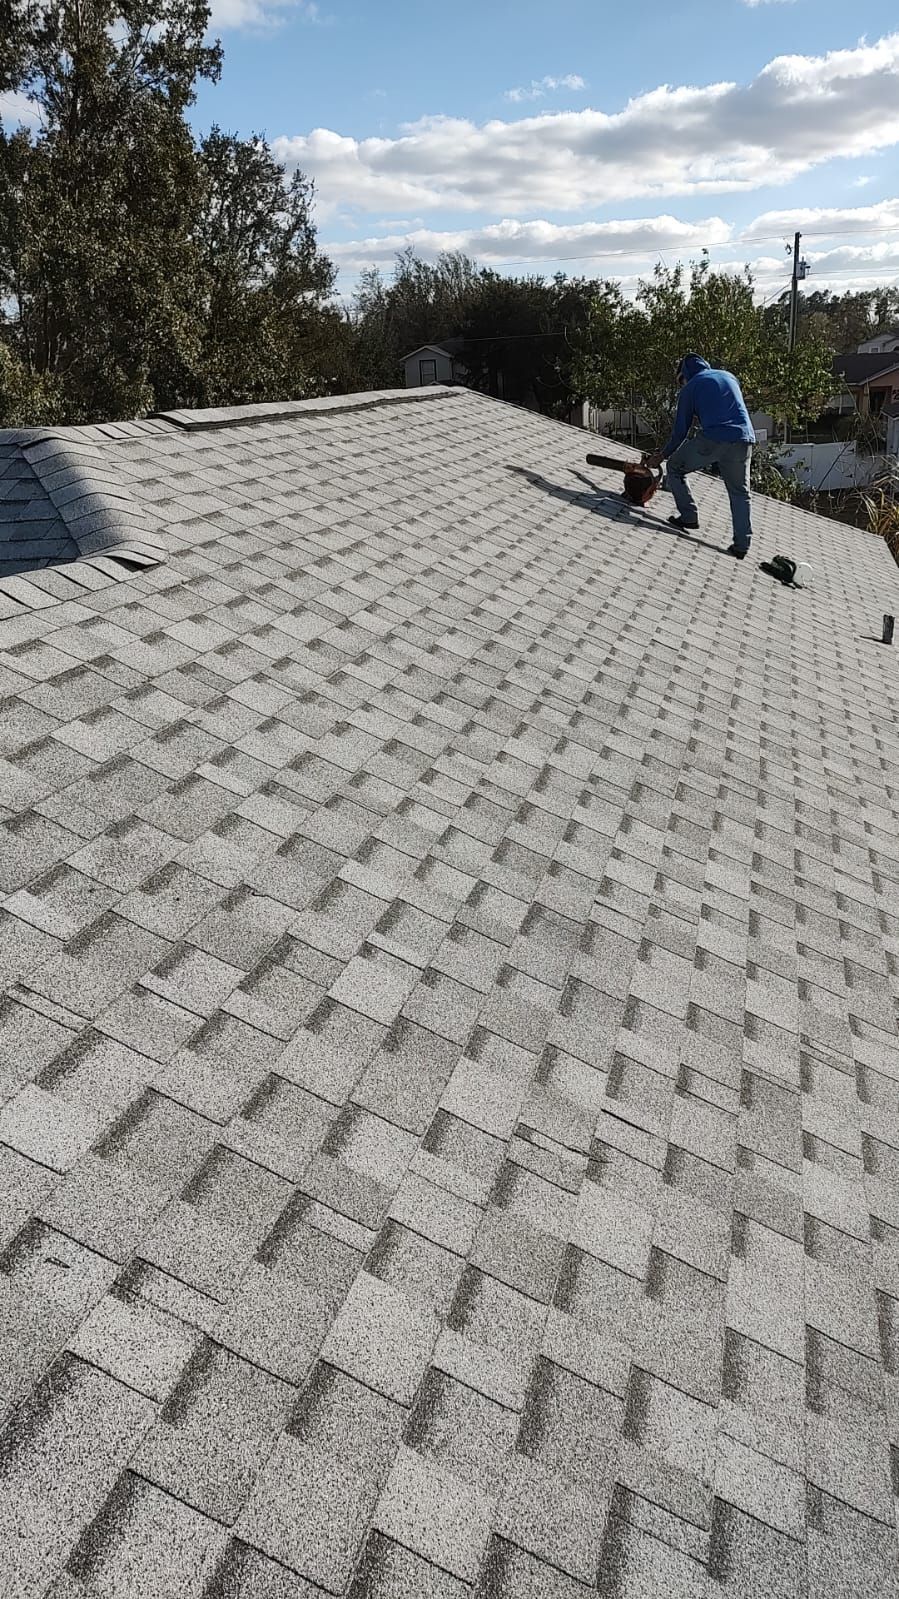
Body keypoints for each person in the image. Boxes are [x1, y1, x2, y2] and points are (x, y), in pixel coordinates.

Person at [646, 354, 755, 559]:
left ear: (684, 375)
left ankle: (688, 517)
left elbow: (680, 432)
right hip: (744, 438)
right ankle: (742, 545)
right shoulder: (729, 376)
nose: (681, 386)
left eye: (680, 381)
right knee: (740, 493)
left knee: (675, 468)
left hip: (715, 438)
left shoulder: (690, 387)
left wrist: (662, 456)